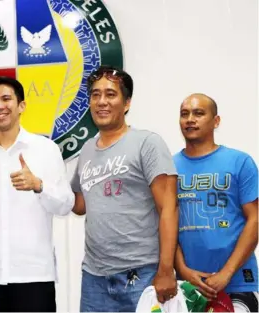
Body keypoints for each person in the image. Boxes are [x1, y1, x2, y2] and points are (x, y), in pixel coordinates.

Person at [71, 65, 179, 312]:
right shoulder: (87, 149)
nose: (101, 102)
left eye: (110, 94)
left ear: (127, 103)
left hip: (142, 274)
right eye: (95, 95)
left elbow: (169, 209)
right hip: (94, 278)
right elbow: (79, 205)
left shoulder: (147, 143)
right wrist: (42, 185)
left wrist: (165, 270)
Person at [0, 76, 74, 312]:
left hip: (33, 273)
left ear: (21, 105)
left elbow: (66, 204)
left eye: (6, 99)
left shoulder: (46, 149)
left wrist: (38, 185)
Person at [173, 93, 258, 312]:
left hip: (238, 282)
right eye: (185, 114)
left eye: (199, 113)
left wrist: (227, 273)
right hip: (188, 287)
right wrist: (182, 270)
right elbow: (164, 225)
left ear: (216, 121)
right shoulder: (168, 168)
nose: (190, 119)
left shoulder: (239, 161)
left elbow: (255, 219)